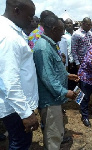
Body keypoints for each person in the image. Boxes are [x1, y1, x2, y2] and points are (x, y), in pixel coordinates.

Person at [33, 15, 79, 150]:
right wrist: (65, 92)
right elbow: (48, 78)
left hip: (54, 98)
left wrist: (66, 75)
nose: (64, 33)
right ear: (54, 29)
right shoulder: (43, 48)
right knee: (52, 135)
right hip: (49, 100)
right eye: (61, 30)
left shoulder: (49, 45)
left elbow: (53, 69)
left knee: (55, 131)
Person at [0, 0, 39, 149]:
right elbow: (9, 80)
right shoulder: (9, 37)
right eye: (29, 16)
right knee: (20, 143)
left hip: (15, 104)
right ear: (16, 11)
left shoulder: (11, 30)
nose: (32, 21)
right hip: (15, 107)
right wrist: (26, 113)